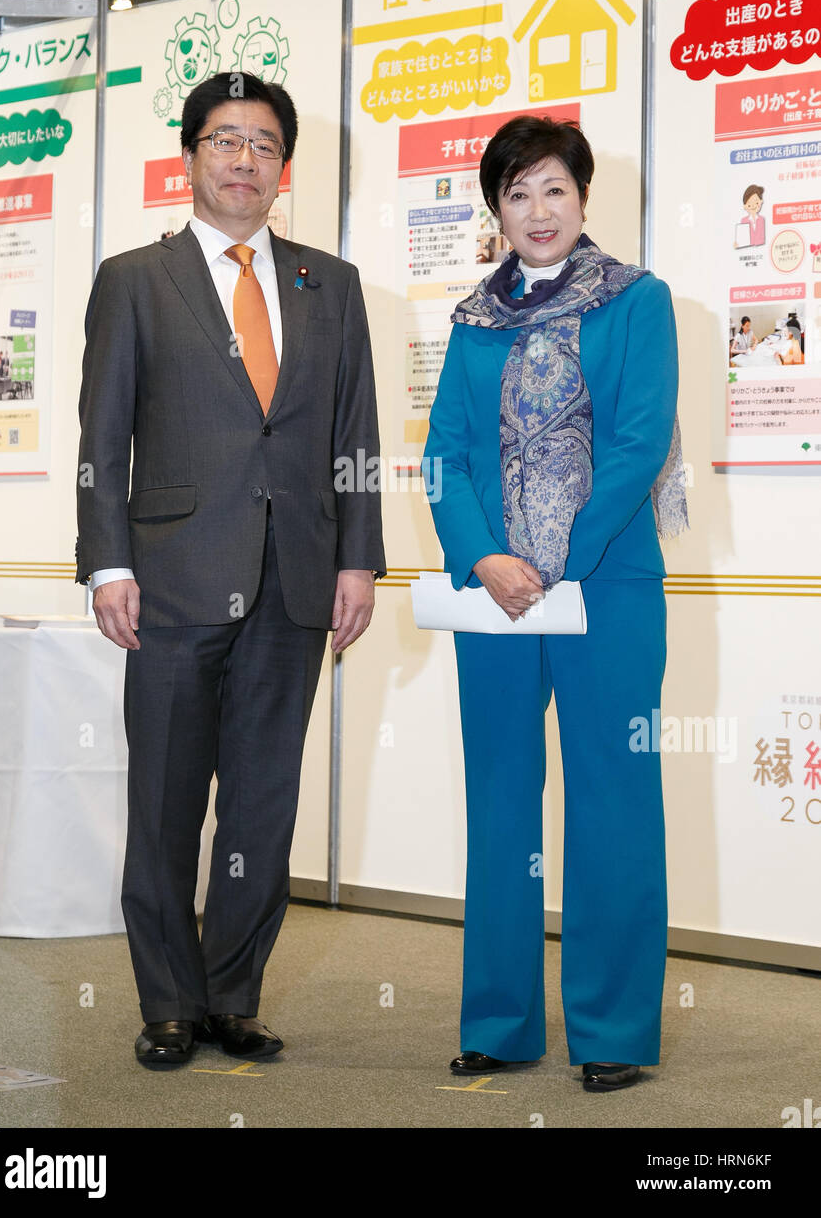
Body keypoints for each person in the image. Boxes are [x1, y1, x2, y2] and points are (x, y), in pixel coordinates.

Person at [76, 70, 385, 1070]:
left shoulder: (326, 284)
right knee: (166, 798)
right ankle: (167, 999)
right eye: (223, 140)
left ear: (283, 167)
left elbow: (354, 434)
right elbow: (104, 431)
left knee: (263, 801)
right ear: (189, 156)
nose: (242, 159)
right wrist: (105, 563)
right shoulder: (134, 278)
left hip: (295, 582)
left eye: (261, 143)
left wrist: (360, 558)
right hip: (167, 575)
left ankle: (231, 994)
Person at [423, 115, 687, 1093]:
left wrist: (554, 558)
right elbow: (443, 454)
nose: (536, 212)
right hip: (491, 596)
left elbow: (636, 442)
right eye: (516, 194)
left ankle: (612, 1024)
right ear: (495, 209)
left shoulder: (637, 301)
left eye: (553, 191)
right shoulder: (468, 320)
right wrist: (484, 558)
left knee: (613, 802)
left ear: (582, 199)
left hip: (604, 589)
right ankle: (498, 1019)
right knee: (498, 800)